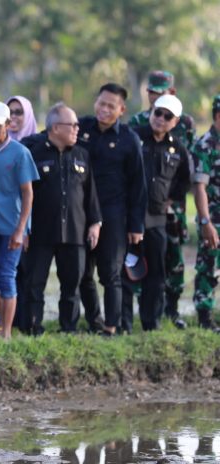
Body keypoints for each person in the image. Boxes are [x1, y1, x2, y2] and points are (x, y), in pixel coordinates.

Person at [21, 103, 102, 334]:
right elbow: (24, 194)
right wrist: (23, 228)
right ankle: (33, 327)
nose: (77, 128)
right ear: (55, 128)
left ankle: (69, 328)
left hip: (75, 231)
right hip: (40, 232)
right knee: (34, 284)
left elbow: (91, 193)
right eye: (72, 125)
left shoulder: (82, 155)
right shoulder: (34, 155)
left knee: (72, 285)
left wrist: (95, 223)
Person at [77, 83, 147, 336]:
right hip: (81, 213)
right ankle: (94, 321)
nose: (104, 109)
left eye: (110, 106)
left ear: (121, 110)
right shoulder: (81, 128)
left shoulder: (129, 139)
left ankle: (111, 326)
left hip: (114, 215)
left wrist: (136, 226)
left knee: (111, 274)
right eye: (101, 103)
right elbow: (50, 137)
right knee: (82, 273)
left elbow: (139, 185)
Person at [128, 71, 196, 329]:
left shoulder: (185, 126)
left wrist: (172, 198)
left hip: (167, 210)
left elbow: (185, 169)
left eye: (161, 93)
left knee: (170, 261)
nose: (160, 116)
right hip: (136, 210)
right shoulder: (136, 126)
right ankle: (130, 316)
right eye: (152, 94)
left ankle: (168, 312)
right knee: (132, 263)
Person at [0, 101, 39, 339]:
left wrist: (21, 229)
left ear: (8, 125)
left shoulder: (20, 153)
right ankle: (4, 314)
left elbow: (28, 193)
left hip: (12, 225)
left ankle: (6, 333)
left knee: (6, 275)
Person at [191, 94, 220, 333]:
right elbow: (199, 187)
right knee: (209, 269)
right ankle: (205, 319)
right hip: (214, 220)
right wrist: (205, 222)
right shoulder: (205, 145)